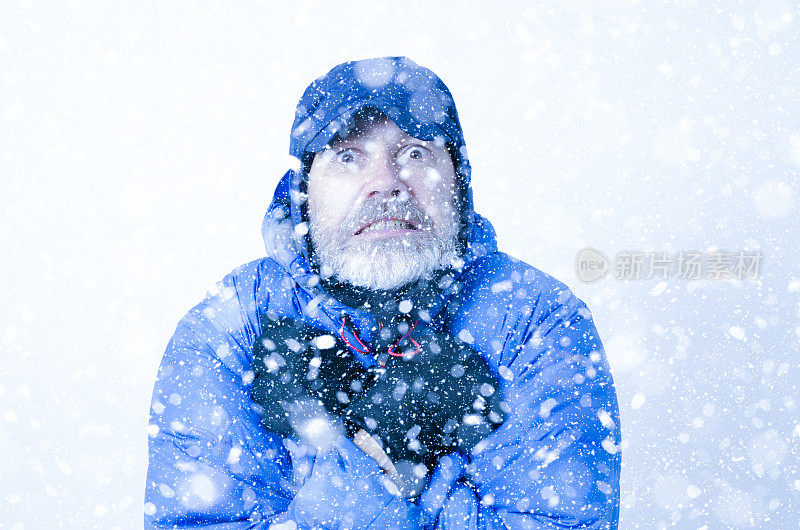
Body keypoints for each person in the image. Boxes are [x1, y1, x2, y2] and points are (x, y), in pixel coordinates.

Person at [144, 56, 622, 529]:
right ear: (303, 191)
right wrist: (382, 490)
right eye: (348, 157)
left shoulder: (535, 318)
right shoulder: (230, 328)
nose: (386, 184)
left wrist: (359, 479)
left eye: (415, 153)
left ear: (458, 179)